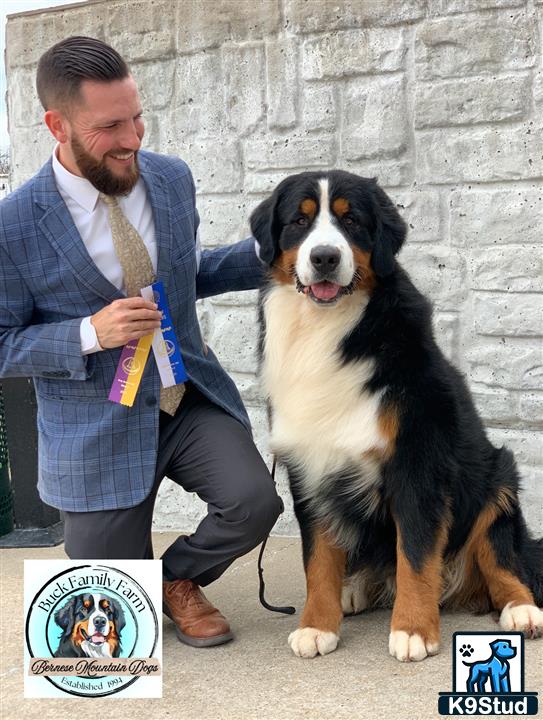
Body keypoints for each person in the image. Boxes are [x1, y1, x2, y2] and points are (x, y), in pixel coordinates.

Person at [0, 36, 283, 648]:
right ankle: (137, 586)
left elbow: (188, 273)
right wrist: (86, 334)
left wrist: (280, 249)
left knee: (255, 503)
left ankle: (176, 581)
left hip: (184, 400)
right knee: (107, 634)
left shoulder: (170, 178)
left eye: (137, 117)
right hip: (95, 427)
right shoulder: (13, 225)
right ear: (58, 124)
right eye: (109, 126)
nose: (133, 138)